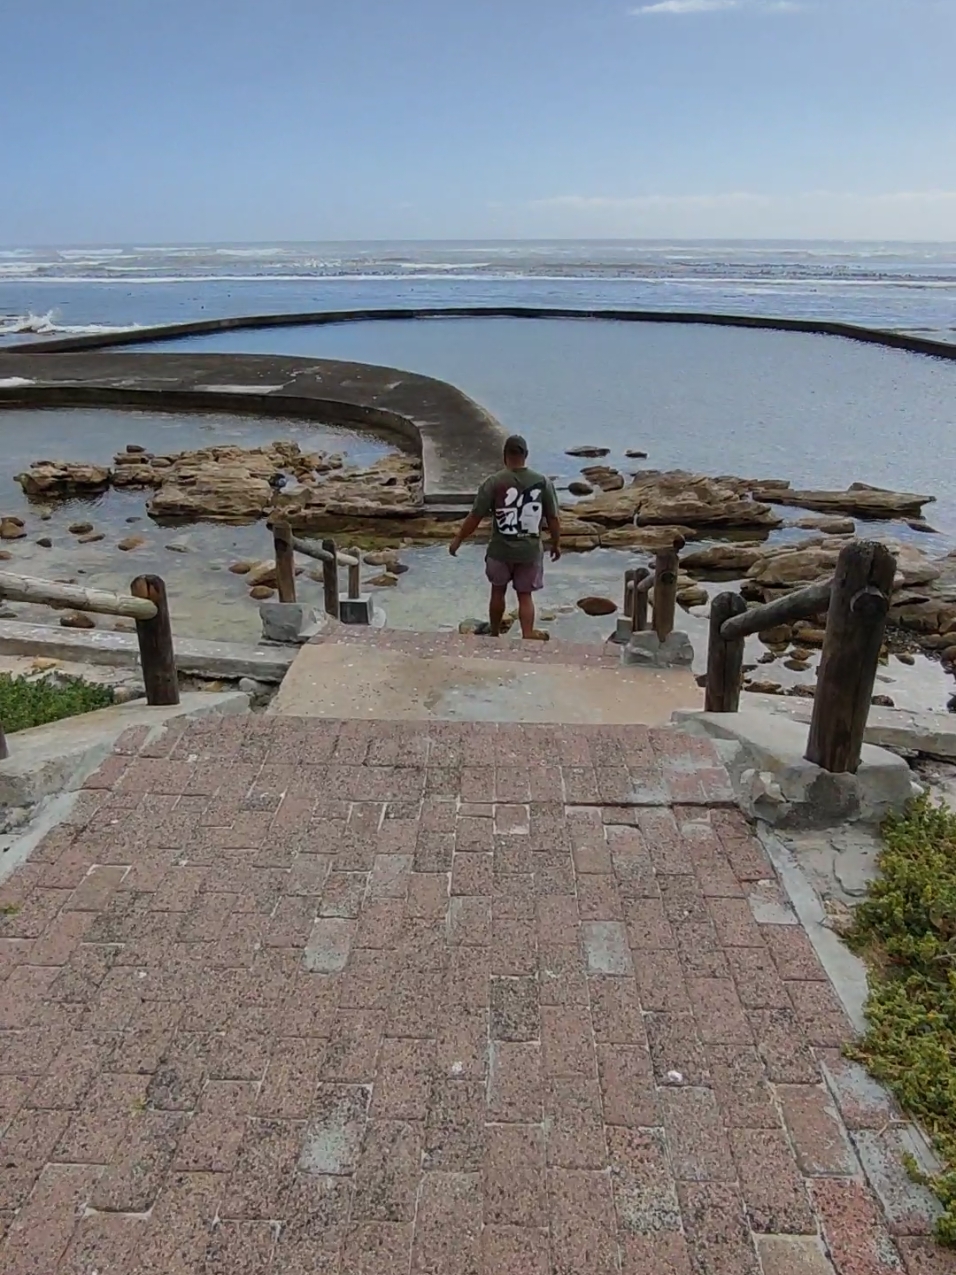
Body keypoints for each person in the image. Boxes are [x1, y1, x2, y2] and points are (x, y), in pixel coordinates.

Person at [449, 434, 561, 639]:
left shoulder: (493, 482)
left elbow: (475, 516)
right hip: (529, 551)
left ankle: (494, 633)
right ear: (526, 455)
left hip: (500, 550)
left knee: (497, 591)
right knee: (525, 596)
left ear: (504, 456)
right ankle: (527, 634)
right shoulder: (543, 482)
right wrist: (556, 543)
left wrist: (458, 539)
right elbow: (552, 517)